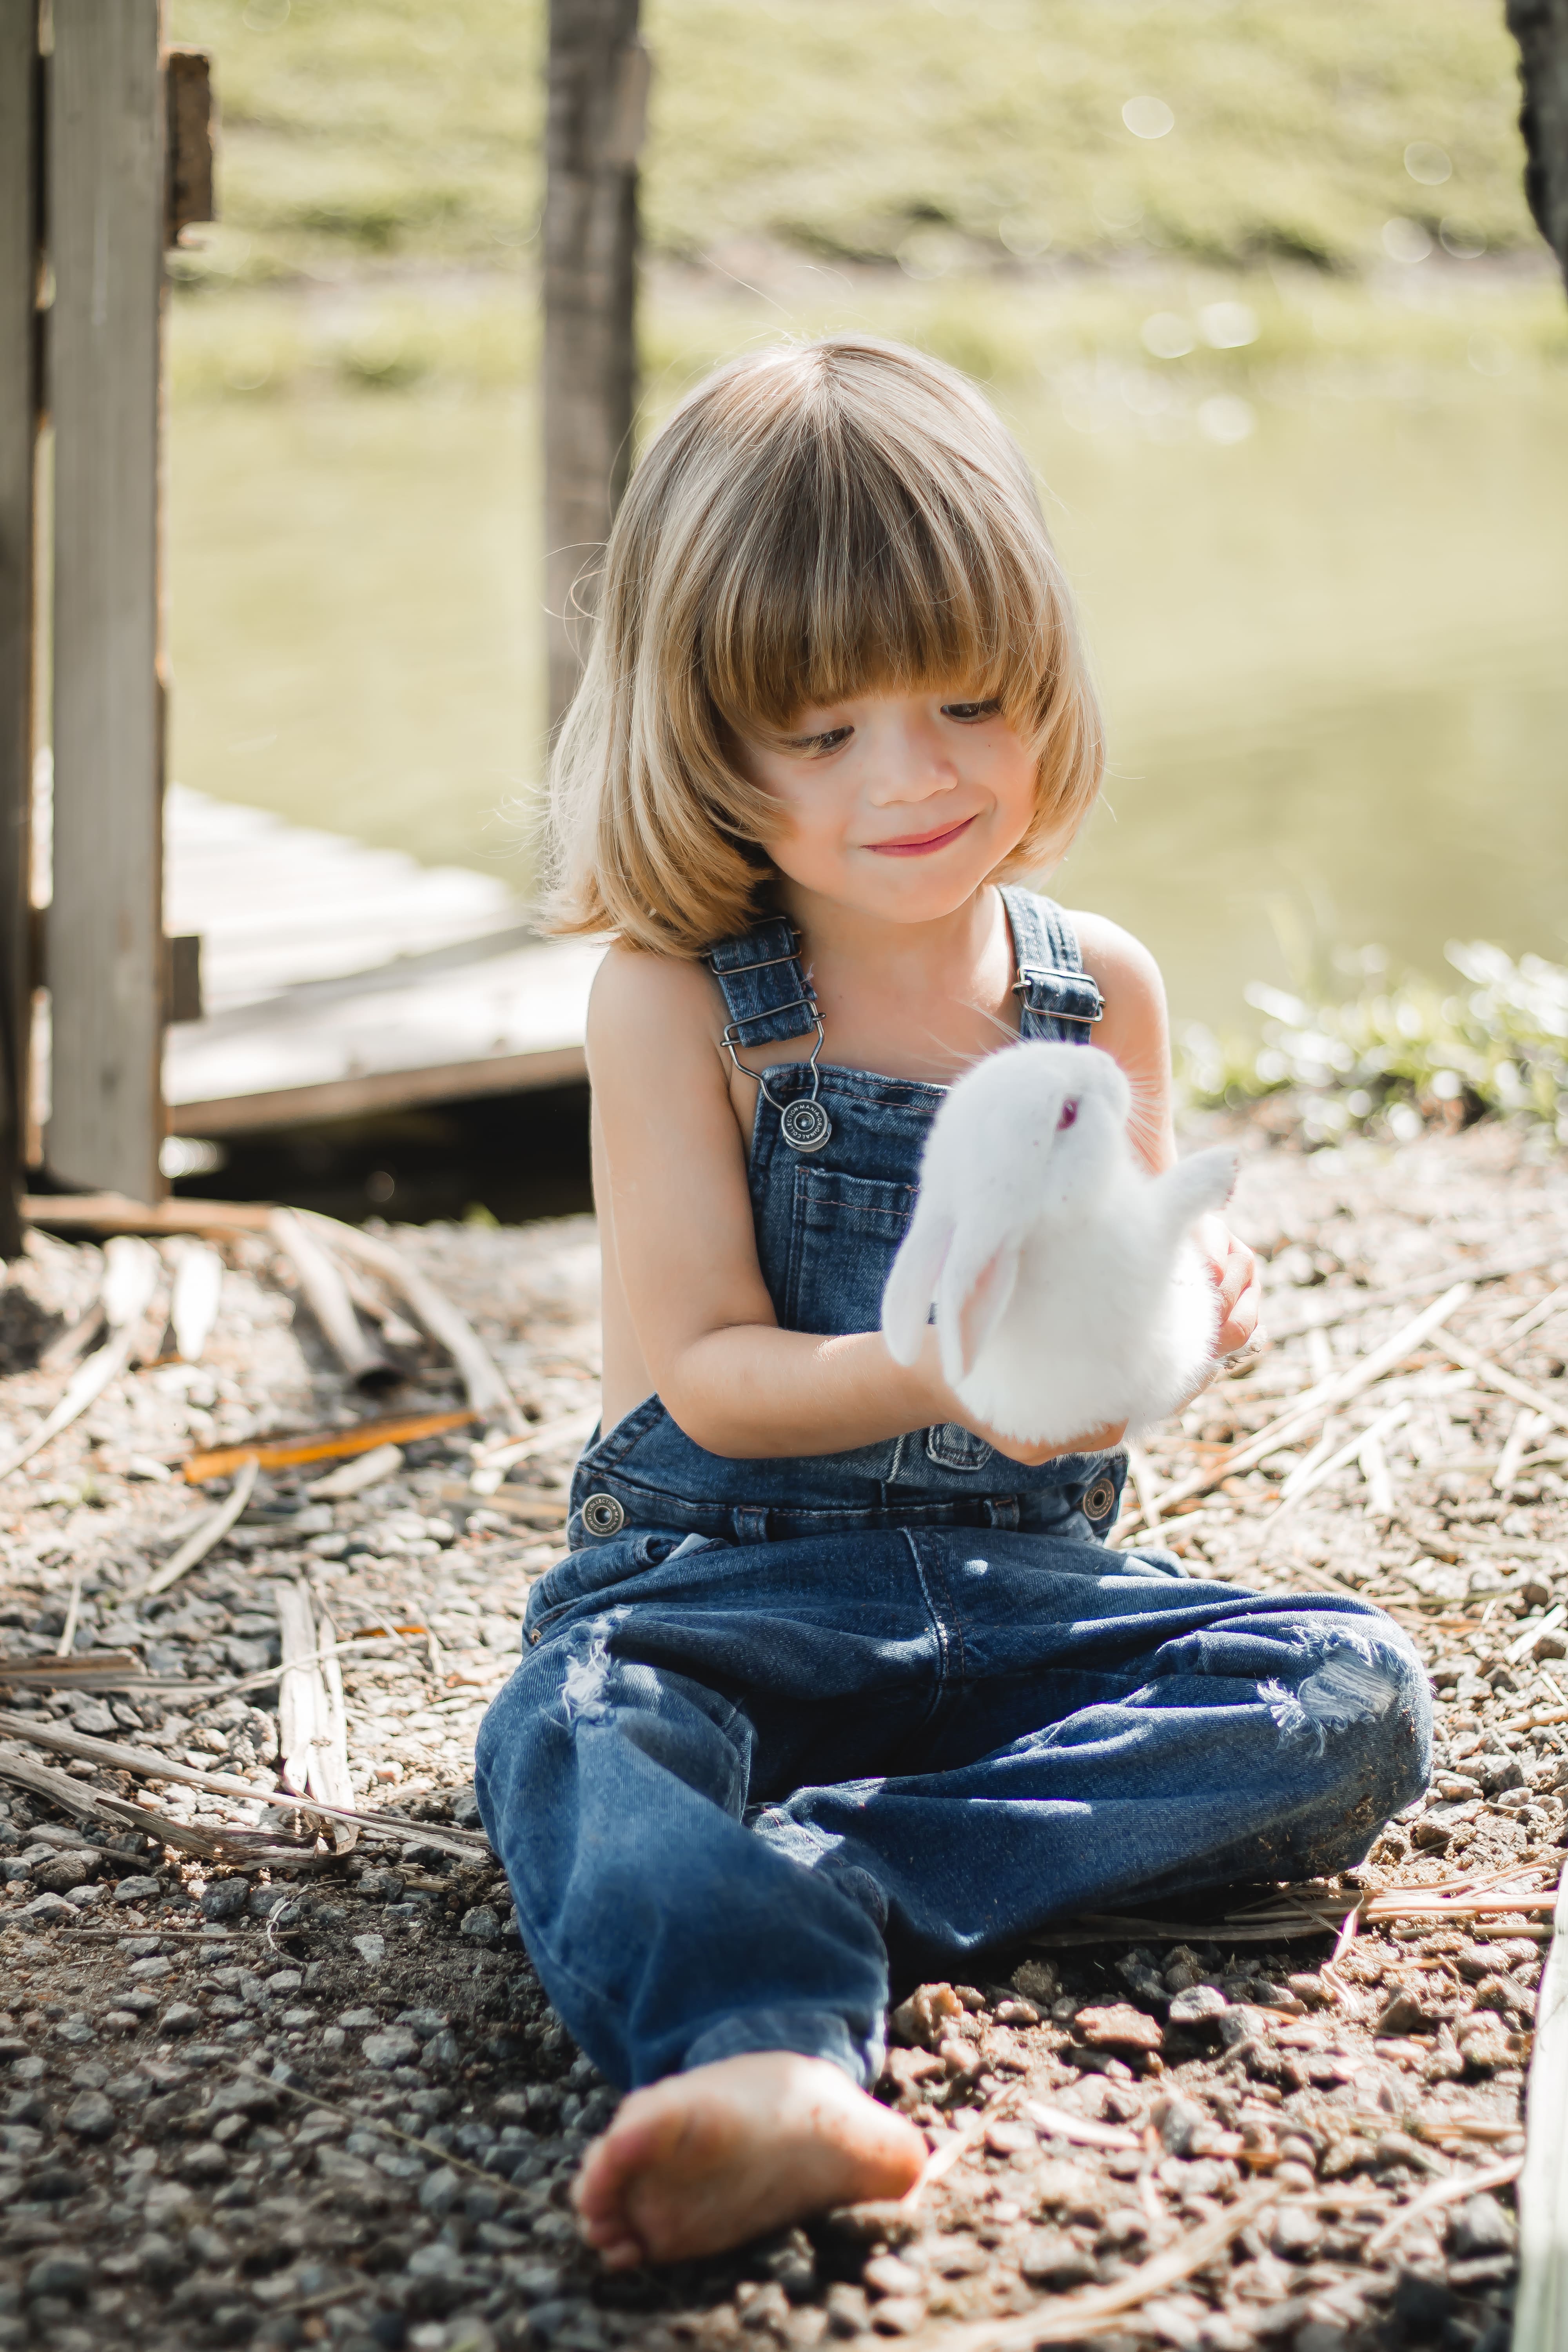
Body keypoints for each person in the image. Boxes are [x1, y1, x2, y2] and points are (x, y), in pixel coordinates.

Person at [475, 336, 1430, 2272]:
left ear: (1042, 682)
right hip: (713, 1594)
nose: (911, 778)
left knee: (1346, 1694)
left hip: (1018, 1597)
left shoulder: (1107, 992)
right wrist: (939, 1366)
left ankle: (829, 1877)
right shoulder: (677, 1004)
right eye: (820, 735)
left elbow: (1107, 1347)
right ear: (703, 738)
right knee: (578, 1732)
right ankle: (752, 2054)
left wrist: (1181, 1295)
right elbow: (717, 1383)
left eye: (968, 702)